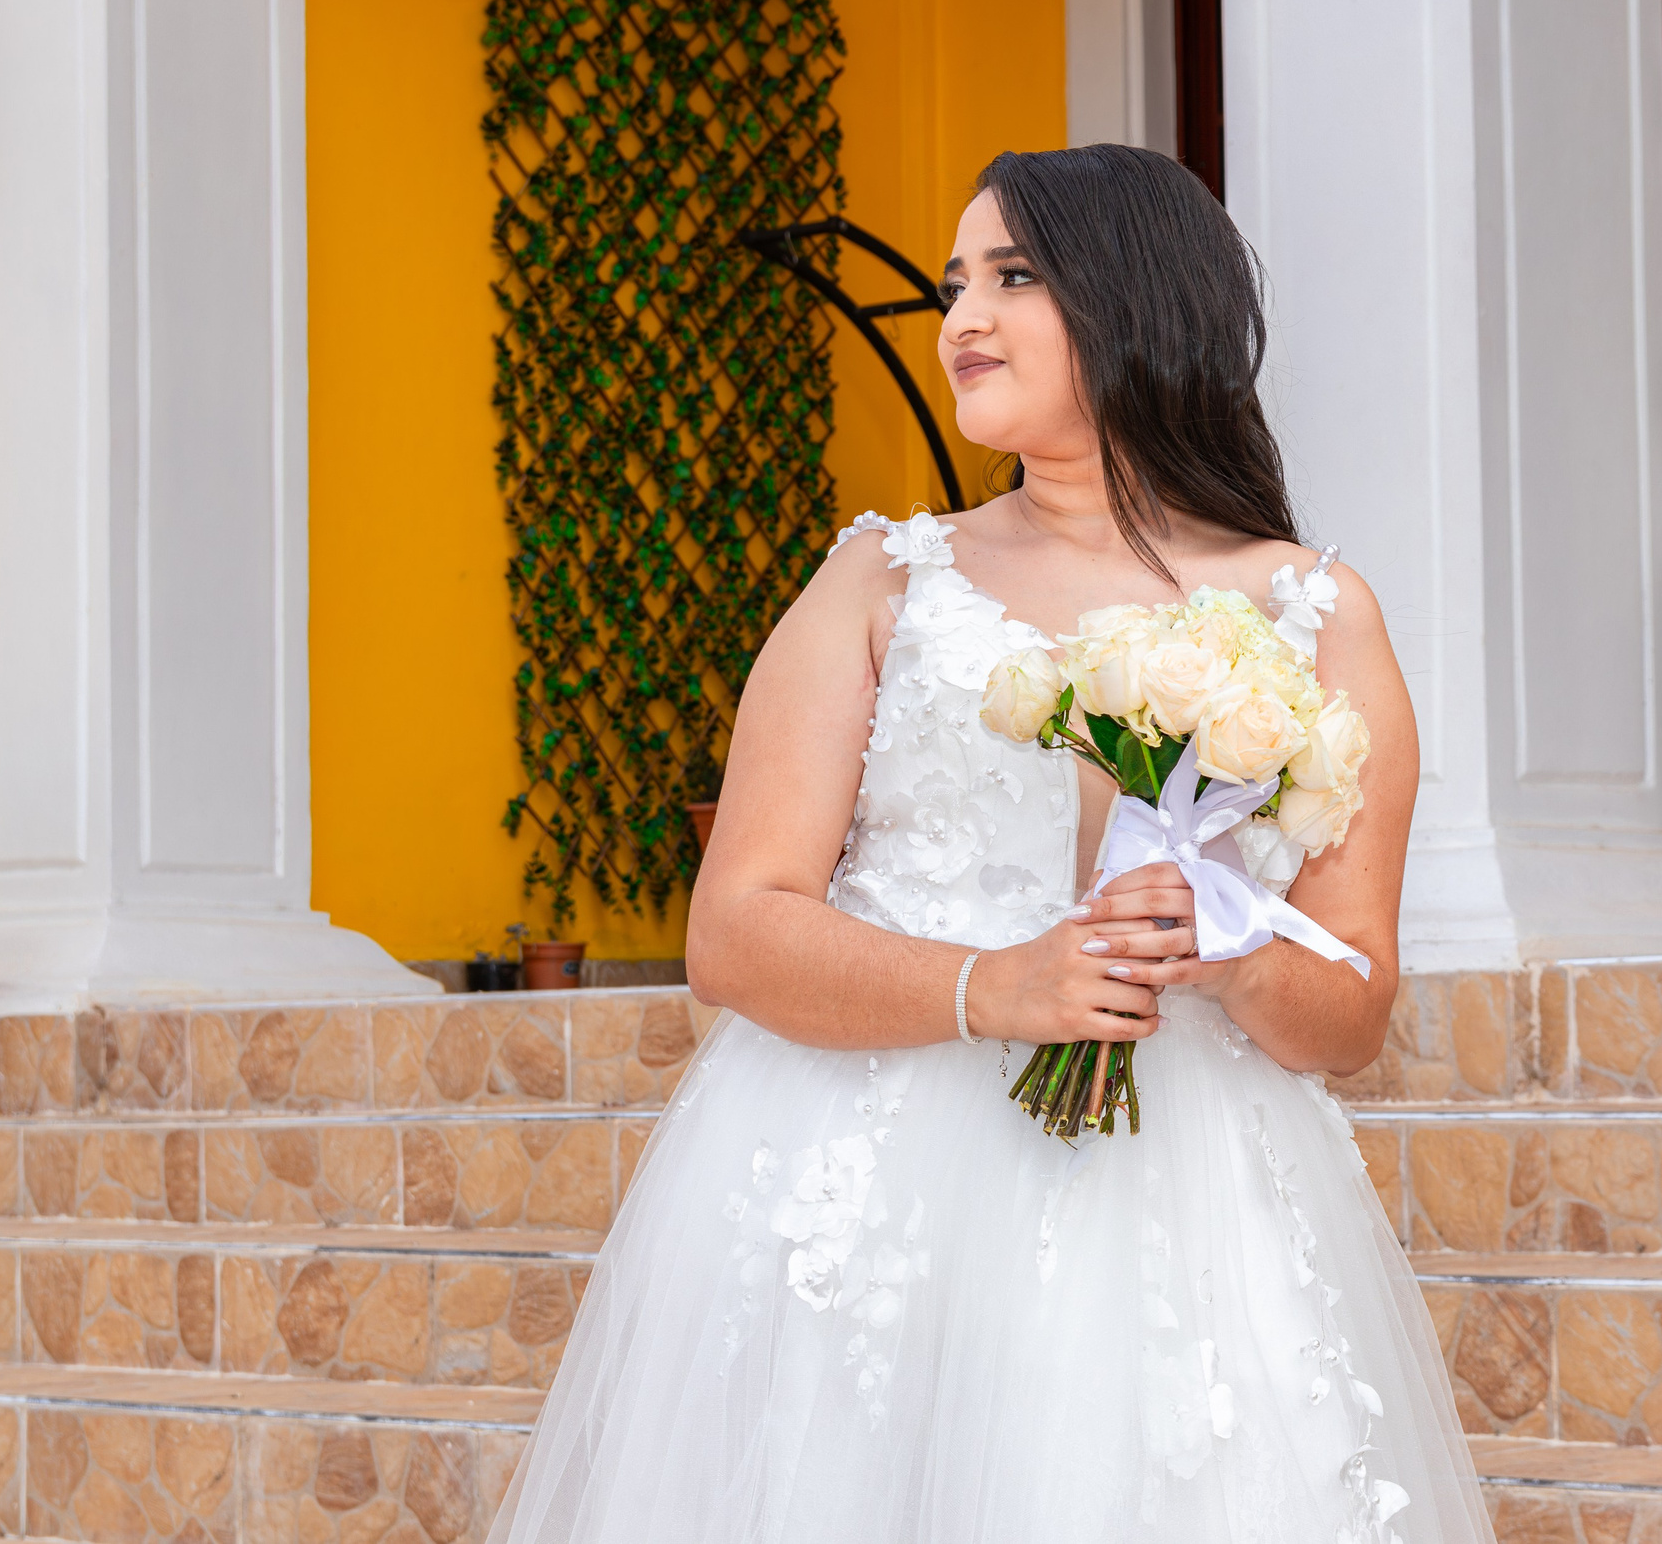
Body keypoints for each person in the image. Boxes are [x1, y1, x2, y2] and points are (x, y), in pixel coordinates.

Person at [491, 144, 1495, 1544]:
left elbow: (1356, 1009)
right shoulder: (883, 580)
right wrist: (995, 987)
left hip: (1186, 1210)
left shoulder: (1314, 615)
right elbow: (734, 930)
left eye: (1013, 276)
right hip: (868, 1192)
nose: (962, 316)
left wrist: (1235, 956)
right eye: (959, 281)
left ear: (1141, 298)